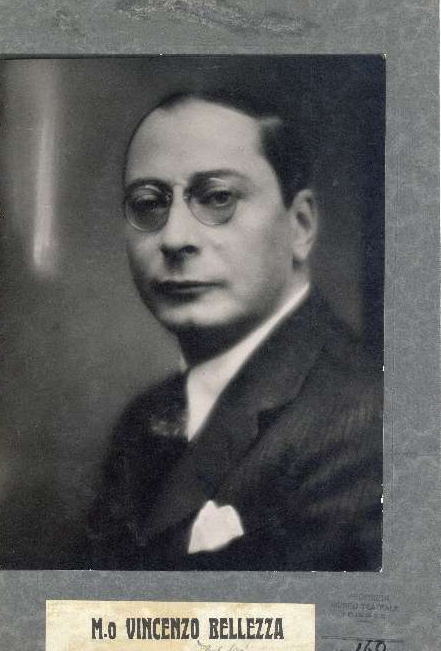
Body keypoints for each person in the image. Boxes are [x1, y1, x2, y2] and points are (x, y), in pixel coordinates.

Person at [86, 90, 382, 571]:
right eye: (148, 203)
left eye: (218, 198)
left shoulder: (367, 422)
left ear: (300, 226)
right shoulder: (144, 420)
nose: (175, 238)